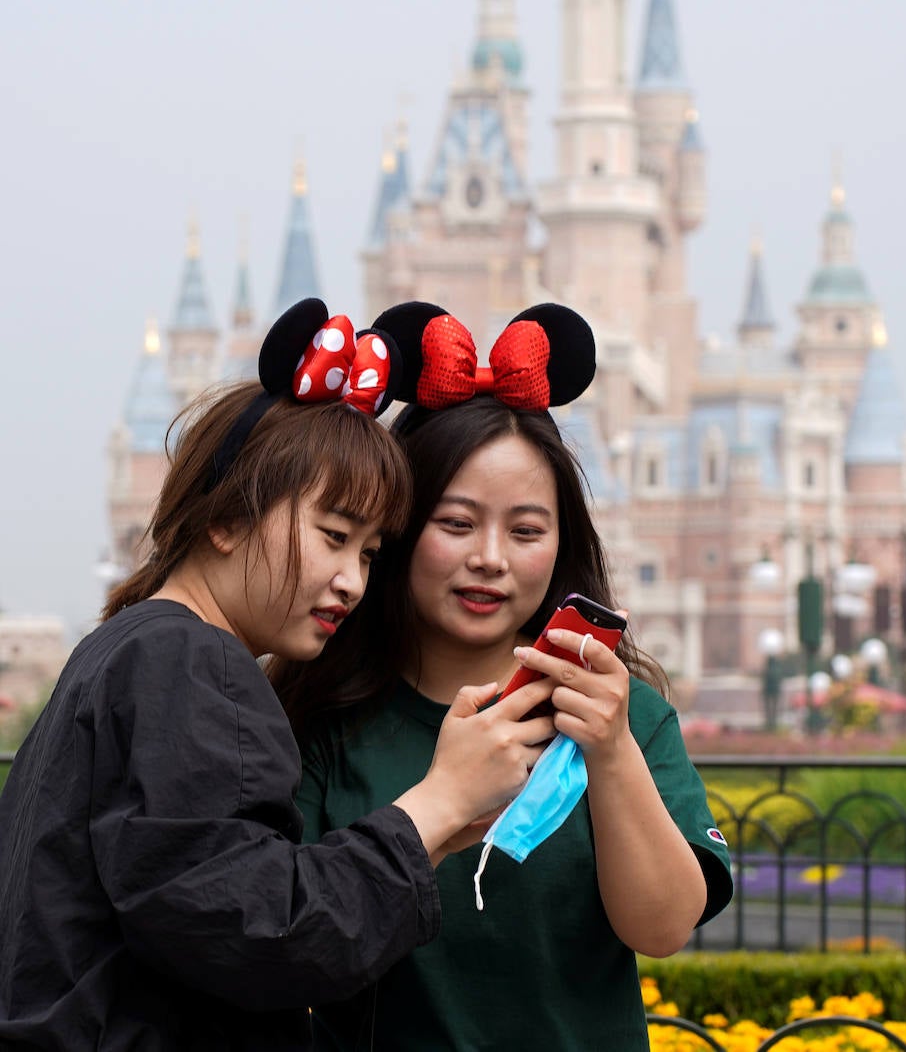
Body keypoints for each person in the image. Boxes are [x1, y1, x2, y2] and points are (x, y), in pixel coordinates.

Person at [0, 299, 554, 1050]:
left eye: (368, 552)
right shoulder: (195, 662)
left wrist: (439, 830)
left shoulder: (126, 648)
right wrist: (438, 799)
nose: (352, 581)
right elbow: (261, 934)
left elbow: (188, 894)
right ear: (224, 518)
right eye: (333, 536)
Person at [273, 302, 733, 1052]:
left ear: (561, 543)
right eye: (455, 524)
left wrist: (609, 750)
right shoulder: (321, 713)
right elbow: (287, 941)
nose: (489, 557)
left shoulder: (626, 715)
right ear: (394, 530)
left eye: (525, 531)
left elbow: (662, 928)